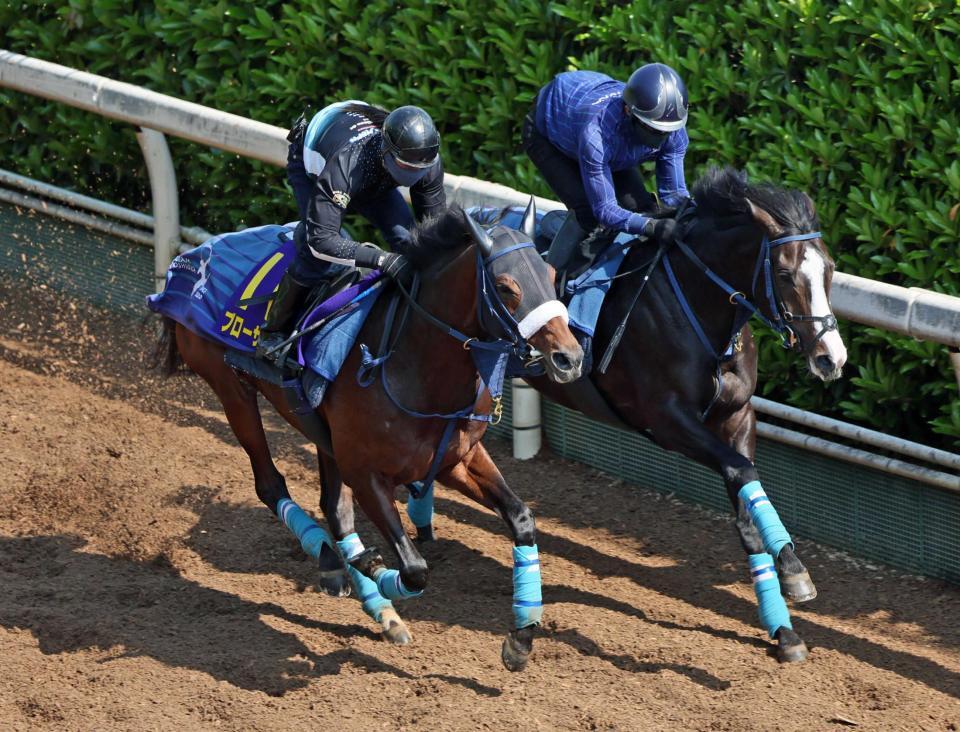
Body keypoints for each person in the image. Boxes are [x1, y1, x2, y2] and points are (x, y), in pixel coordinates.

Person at [256, 101, 445, 360]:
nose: (414, 176)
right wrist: (383, 260)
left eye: (419, 170)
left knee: (411, 243)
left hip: (374, 177)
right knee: (312, 252)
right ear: (386, 151)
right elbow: (321, 241)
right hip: (322, 167)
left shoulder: (428, 161)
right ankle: (272, 332)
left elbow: (434, 234)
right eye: (406, 168)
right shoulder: (348, 161)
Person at [522, 63, 690, 274]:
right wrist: (652, 227)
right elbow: (604, 210)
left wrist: (695, 213)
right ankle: (548, 278)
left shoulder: (674, 131)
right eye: (652, 129)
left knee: (645, 209)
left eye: (667, 130)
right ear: (628, 110)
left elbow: (674, 193)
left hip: (601, 138)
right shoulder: (597, 135)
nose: (661, 137)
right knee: (588, 213)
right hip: (547, 133)